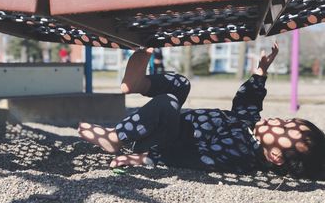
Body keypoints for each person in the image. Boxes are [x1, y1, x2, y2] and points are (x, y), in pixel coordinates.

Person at [78, 44, 325, 180]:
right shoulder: (249, 124)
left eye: (281, 128)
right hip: (166, 127)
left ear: (275, 157)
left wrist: (146, 159)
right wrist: (261, 72)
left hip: (158, 141)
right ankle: (137, 84)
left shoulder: (238, 152)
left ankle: (117, 137)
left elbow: (197, 159)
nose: (277, 121)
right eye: (285, 121)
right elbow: (248, 100)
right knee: (182, 84)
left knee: (167, 102)